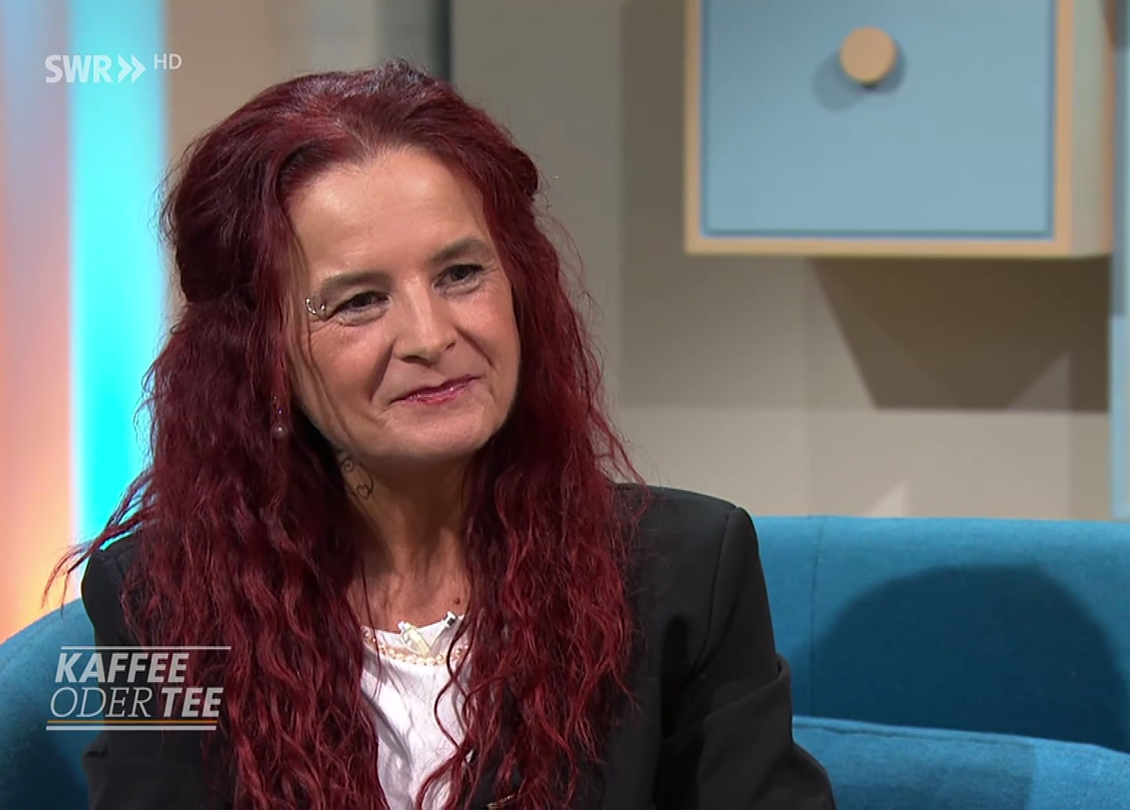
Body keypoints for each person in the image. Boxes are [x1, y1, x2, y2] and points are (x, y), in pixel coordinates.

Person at [53, 58, 835, 810]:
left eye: (461, 274)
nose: (431, 336)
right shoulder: (153, 599)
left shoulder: (688, 572)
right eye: (359, 301)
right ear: (261, 358)